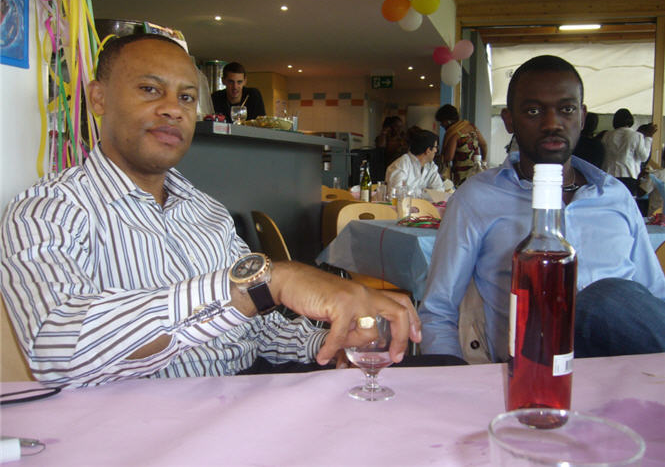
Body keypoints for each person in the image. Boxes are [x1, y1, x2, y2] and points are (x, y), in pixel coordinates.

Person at [0, 34, 420, 388]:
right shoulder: (46, 210)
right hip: (146, 428)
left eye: (186, 97)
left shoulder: (207, 211)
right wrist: (264, 283)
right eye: (150, 89)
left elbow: (257, 331)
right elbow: (55, 348)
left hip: (248, 396)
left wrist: (333, 345)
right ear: (99, 98)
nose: (172, 108)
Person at [419, 55, 665, 363]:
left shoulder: (615, 196)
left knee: (615, 299)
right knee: (607, 297)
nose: (552, 124)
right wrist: (449, 387)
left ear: (582, 116)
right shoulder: (476, 200)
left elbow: (654, 295)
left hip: (626, 375)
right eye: (533, 111)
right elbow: (438, 310)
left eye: (566, 109)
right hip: (532, 371)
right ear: (509, 120)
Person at [601, 108, 653, 196]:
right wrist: (648, 138)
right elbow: (643, 157)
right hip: (629, 175)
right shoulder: (636, 136)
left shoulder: (607, 135)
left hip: (609, 175)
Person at [436, 104, 488, 186]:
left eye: (442, 122)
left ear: (448, 120)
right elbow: (484, 144)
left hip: (462, 175)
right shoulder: (472, 127)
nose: (442, 125)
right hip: (476, 172)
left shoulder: (454, 134)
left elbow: (449, 157)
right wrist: (484, 161)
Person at [385, 129, 445, 197]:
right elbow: (396, 193)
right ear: (428, 150)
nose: (436, 150)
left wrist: (411, 191)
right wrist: (425, 192)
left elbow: (440, 191)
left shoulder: (431, 166)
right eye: (435, 147)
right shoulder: (402, 164)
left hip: (423, 206)